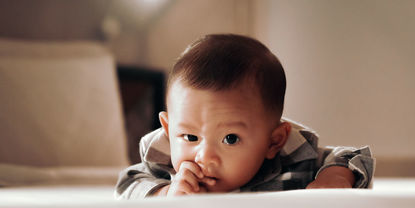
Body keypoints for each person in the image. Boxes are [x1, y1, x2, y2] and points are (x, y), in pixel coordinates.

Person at [115, 34, 374, 199]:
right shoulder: (163, 164)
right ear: (168, 130)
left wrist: (334, 176)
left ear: (273, 142)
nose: (204, 156)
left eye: (229, 139)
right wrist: (165, 193)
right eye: (190, 136)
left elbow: (351, 156)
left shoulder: (293, 159)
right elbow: (127, 186)